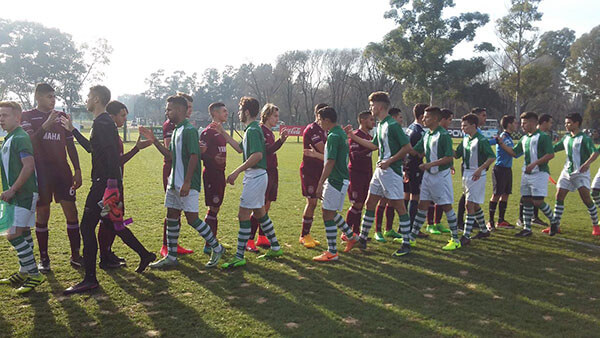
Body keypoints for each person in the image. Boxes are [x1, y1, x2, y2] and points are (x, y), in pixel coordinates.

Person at [63, 86, 156, 295]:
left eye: (88, 96)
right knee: (115, 224)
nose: (86, 100)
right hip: (107, 184)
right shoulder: (101, 122)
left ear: (96, 99)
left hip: (103, 185)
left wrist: (111, 189)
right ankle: (144, 254)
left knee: (87, 228)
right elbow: (91, 149)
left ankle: (90, 279)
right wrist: (73, 130)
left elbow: (113, 159)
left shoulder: (103, 123)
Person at [140, 95, 225, 269]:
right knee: (171, 216)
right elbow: (170, 156)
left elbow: (195, 156)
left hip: (187, 184)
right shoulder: (177, 129)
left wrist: (187, 182)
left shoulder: (189, 130)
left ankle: (216, 247)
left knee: (192, 219)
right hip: (173, 183)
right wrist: (154, 141)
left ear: (179, 110)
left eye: (169, 109)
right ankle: (171, 256)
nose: (166, 112)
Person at [21, 83, 82, 272]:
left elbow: (70, 145)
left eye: (54, 96)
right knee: (43, 214)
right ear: (37, 97)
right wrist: (46, 126)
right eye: (49, 96)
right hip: (42, 172)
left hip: (62, 172)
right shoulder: (28, 117)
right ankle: (44, 259)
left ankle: (75, 255)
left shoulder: (62, 116)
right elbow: (30, 142)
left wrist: (77, 169)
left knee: (71, 212)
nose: (53, 100)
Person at [342, 92, 413, 256]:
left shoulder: (393, 125)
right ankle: (364, 238)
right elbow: (373, 146)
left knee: (399, 207)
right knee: (370, 203)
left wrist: (390, 161)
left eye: (372, 105)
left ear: (380, 106)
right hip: (380, 170)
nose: (370, 108)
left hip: (391, 171)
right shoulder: (380, 125)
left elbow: (407, 147)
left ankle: (406, 243)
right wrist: (352, 136)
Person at [219, 97, 283, 268]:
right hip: (257, 176)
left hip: (255, 176)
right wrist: (222, 132)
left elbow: (257, 156)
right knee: (260, 214)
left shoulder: (254, 130)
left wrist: (236, 171)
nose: (239, 113)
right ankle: (276, 246)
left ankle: (239, 256)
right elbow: (240, 148)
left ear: (246, 112)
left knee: (243, 215)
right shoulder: (252, 129)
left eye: (240, 110)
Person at [400, 106, 460, 253]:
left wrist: (429, 164)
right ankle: (412, 237)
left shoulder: (443, 135)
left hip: (440, 176)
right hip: (428, 175)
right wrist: (403, 147)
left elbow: (448, 157)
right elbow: (417, 152)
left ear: (434, 119)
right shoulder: (427, 135)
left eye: (426, 117)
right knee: (422, 206)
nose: (423, 119)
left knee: (446, 206)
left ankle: (456, 239)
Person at [0, 101, 45, 294]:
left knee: (13, 233)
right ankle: (24, 271)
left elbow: (28, 166)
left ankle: (35, 275)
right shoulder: (10, 137)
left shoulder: (20, 137)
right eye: (0, 116)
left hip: (22, 194)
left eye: (5, 115)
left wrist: (12, 190)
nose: (1, 119)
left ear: (18, 118)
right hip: (21, 194)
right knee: (24, 231)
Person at [308, 106, 359, 261]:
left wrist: (320, 183)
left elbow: (330, 161)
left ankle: (332, 252)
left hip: (336, 180)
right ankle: (351, 236)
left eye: (319, 119)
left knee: (327, 214)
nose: (318, 122)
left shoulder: (334, 136)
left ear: (327, 120)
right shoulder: (339, 133)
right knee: (330, 212)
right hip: (340, 178)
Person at [497, 112, 555, 237]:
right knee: (527, 200)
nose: (522, 126)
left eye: (524, 123)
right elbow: (514, 153)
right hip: (526, 173)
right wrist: (501, 144)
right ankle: (527, 228)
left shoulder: (543, 137)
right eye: (521, 123)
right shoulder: (524, 138)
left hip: (540, 173)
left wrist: (534, 164)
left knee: (538, 202)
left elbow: (550, 154)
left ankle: (554, 221)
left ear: (533, 122)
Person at [549, 113, 599, 235]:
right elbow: (554, 148)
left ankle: (596, 226)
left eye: (569, 123)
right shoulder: (566, 138)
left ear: (576, 123)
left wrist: (586, 164)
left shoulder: (584, 139)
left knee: (587, 199)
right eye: (565, 123)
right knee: (559, 196)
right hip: (566, 172)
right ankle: (556, 226)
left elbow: (595, 152)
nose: (566, 125)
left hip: (580, 173)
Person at [247, 104, 288, 252]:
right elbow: (267, 150)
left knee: (267, 205)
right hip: (264, 171)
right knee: (260, 207)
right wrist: (281, 141)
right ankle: (249, 240)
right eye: (275, 116)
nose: (277, 119)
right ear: (266, 115)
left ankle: (262, 237)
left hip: (272, 171)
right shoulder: (261, 130)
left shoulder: (269, 131)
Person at [158, 93, 194, 257]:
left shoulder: (185, 127)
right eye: (188, 107)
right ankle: (166, 245)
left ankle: (174, 244)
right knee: (173, 208)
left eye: (191, 107)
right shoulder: (170, 125)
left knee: (176, 210)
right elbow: (170, 152)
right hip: (172, 169)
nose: (190, 110)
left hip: (182, 169)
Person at [454, 114, 495, 246]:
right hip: (466, 174)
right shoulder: (466, 139)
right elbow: (457, 154)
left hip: (477, 175)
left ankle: (466, 235)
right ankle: (484, 230)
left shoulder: (481, 140)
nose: (462, 128)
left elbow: (491, 157)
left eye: (465, 125)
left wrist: (480, 169)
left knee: (468, 204)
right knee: (475, 205)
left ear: (473, 126)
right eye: (462, 125)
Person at [199, 102, 229, 255]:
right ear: (215, 113)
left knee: (216, 208)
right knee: (213, 208)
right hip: (211, 174)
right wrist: (212, 159)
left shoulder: (221, 131)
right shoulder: (207, 132)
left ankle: (212, 240)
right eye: (224, 111)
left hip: (220, 174)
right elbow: (201, 153)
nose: (226, 113)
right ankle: (209, 243)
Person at [298, 103, 327, 248]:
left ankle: (307, 234)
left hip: (321, 170)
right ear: (318, 115)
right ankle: (304, 235)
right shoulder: (312, 130)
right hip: (310, 171)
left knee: (319, 203)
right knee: (312, 202)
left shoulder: (325, 130)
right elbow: (324, 152)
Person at [346, 111, 375, 237]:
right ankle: (346, 231)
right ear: (363, 120)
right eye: (371, 119)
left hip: (367, 173)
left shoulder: (369, 137)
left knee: (361, 204)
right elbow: (354, 156)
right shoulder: (356, 135)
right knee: (356, 204)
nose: (373, 122)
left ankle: (355, 233)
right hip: (356, 174)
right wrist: (370, 147)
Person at [425, 108, 454, 235]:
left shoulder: (443, 134)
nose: (450, 123)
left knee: (442, 200)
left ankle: (437, 224)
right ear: (441, 119)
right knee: (428, 201)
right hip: (431, 173)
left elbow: (447, 154)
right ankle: (429, 224)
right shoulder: (430, 134)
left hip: (440, 172)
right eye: (449, 120)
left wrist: (451, 164)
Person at [489, 115, 518, 230]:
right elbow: (513, 153)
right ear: (509, 124)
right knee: (496, 195)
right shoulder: (503, 137)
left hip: (507, 169)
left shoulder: (508, 138)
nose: (517, 125)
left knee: (505, 194)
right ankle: (490, 221)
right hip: (500, 169)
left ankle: (501, 220)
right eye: (515, 123)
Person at [403, 103, 428, 227]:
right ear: (422, 115)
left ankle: (403, 225)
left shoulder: (409, 127)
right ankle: (411, 226)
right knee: (415, 196)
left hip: (407, 165)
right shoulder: (419, 132)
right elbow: (417, 153)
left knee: (407, 194)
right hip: (415, 165)